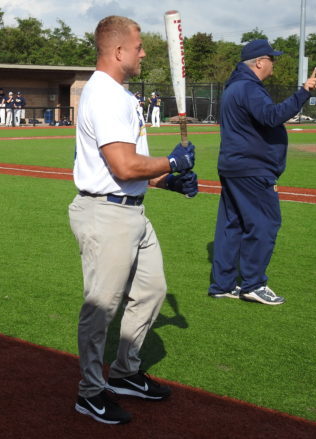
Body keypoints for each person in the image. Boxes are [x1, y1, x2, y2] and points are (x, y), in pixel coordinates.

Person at [69, 15, 198, 425]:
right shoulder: (105, 95)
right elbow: (123, 166)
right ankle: (90, 393)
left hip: (131, 211)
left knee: (152, 290)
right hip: (106, 214)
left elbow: (131, 168)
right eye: (139, 47)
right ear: (119, 51)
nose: (143, 53)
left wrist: (166, 179)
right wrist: (173, 159)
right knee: (100, 307)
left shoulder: (120, 95)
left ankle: (124, 373)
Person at [208, 39, 316, 305]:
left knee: (232, 224)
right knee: (264, 223)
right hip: (252, 167)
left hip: (233, 165)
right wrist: (303, 91)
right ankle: (253, 283)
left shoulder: (235, 87)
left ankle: (223, 284)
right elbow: (272, 116)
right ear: (259, 62)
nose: (274, 63)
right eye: (272, 58)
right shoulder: (248, 88)